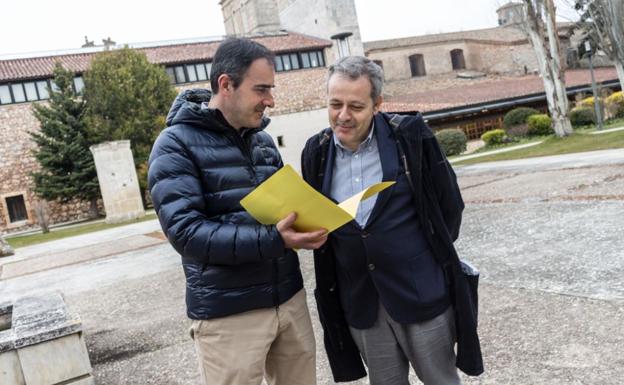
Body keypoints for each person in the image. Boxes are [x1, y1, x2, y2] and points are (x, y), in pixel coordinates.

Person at [148, 37, 327, 385]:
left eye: (270, 89)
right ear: (226, 84)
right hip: (229, 315)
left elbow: (284, 208)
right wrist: (275, 239)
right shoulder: (174, 145)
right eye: (261, 89)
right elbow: (187, 233)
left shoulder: (261, 140)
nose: (270, 100)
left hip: (288, 299)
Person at [301, 56, 483, 384]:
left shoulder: (410, 136)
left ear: (377, 104)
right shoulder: (316, 151)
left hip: (420, 294)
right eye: (335, 104)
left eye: (355, 106)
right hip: (361, 302)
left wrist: (416, 255)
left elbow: (449, 208)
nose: (343, 116)